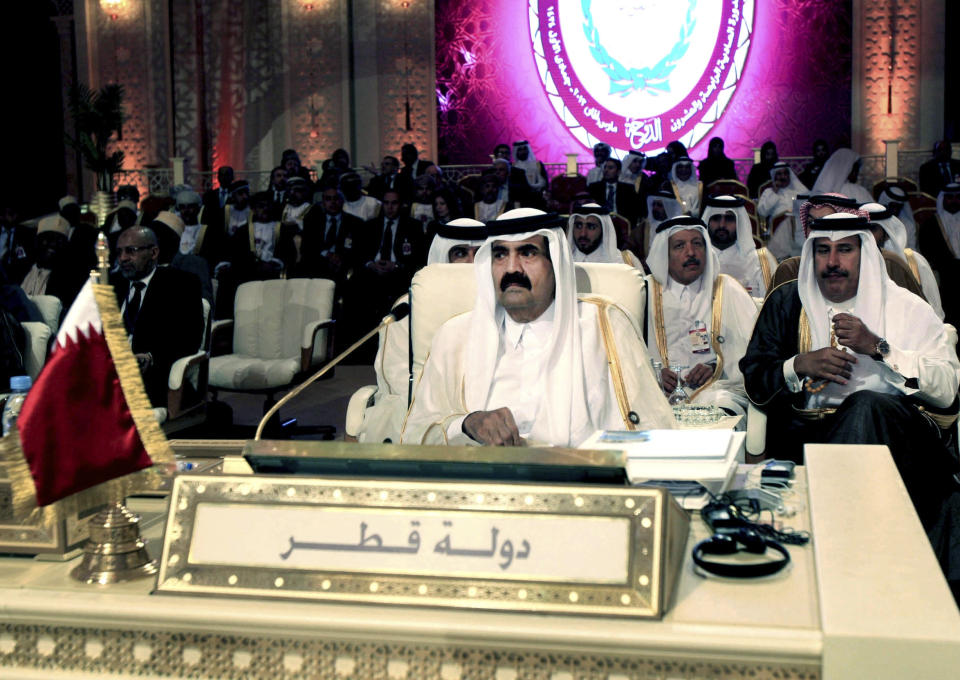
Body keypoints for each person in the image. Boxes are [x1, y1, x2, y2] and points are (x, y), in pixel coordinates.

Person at [739, 212, 960, 586]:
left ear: (866, 254)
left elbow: (947, 388)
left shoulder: (907, 307)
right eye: (823, 251)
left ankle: (842, 557)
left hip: (896, 438)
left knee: (865, 405)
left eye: (845, 250)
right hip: (804, 436)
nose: (833, 263)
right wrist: (799, 365)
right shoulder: (786, 303)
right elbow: (755, 378)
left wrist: (879, 348)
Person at [402, 208, 673, 446]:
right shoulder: (455, 336)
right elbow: (414, 433)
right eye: (499, 255)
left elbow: (653, 426)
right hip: (483, 489)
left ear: (555, 264)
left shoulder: (605, 326)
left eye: (528, 253)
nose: (511, 269)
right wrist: (466, 424)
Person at [362, 218, 489, 445]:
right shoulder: (408, 308)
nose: (470, 263)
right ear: (443, 258)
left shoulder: (504, 307)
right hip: (424, 410)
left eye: (478, 254)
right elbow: (399, 380)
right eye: (460, 253)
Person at [644, 215, 758, 419]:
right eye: (679, 246)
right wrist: (653, 374)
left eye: (697, 244)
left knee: (724, 409)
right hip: (656, 391)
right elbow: (627, 349)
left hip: (715, 389)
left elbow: (752, 351)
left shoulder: (727, 288)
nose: (691, 252)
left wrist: (716, 367)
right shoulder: (644, 291)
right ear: (665, 255)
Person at [112, 226, 203, 407]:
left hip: (151, 377)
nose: (122, 259)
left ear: (153, 252)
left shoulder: (181, 284)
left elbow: (189, 338)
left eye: (131, 251)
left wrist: (151, 357)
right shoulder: (113, 286)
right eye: (119, 252)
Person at [861, 202, 942, 320]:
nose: (866, 235)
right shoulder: (851, 265)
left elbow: (934, 309)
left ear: (887, 233)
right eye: (862, 229)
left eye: (872, 229)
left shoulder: (914, 261)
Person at [702, 195, 777, 297]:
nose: (722, 225)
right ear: (708, 222)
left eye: (729, 219)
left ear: (739, 223)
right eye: (716, 218)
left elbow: (770, 306)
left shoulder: (760, 260)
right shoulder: (696, 260)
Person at [17, 215, 86, 312]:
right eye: (48, 238)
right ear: (38, 241)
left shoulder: (69, 278)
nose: (53, 244)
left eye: (59, 240)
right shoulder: (21, 270)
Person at [918, 183, 960, 328]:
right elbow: (927, 251)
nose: (954, 201)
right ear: (943, 199)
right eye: (950, 197)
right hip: (944, 276)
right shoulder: (931, 224)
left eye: (957, 197)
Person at [759, 162, 809, 260]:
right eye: (779, 174)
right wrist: (775, 192)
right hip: (777, 233)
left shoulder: (800, 191)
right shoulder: (769, 192)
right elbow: (762, 212)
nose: (783, 176)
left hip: (799, 230)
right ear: (774, 176)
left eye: (785, 173)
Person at [566, 204, 641, 267]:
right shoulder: (563, 262)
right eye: (578, 226)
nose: (583, 233)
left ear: (604, 230)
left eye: (591, 227)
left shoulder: (624, 262)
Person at [625, 190, 681, 262]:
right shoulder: (644, 227)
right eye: (654, 204)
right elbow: (629, 248)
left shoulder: (678, 228)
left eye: (659, 205)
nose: (655, 208)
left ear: (669, 208)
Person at [589, 158, 639, 226]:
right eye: (605, 167)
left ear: (618, 172)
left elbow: (634, 212)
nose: (606, 170)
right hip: (599, 224)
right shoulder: (594, 188)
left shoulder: (628, 189)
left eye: (610, 168)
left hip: (621, 224)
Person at [877, 185, 918, 249]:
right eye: (893, 206)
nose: (895, 210)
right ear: (885, 203)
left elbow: (912, 250)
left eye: (898, 207)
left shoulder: (908, 225)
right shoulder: (875, 224)